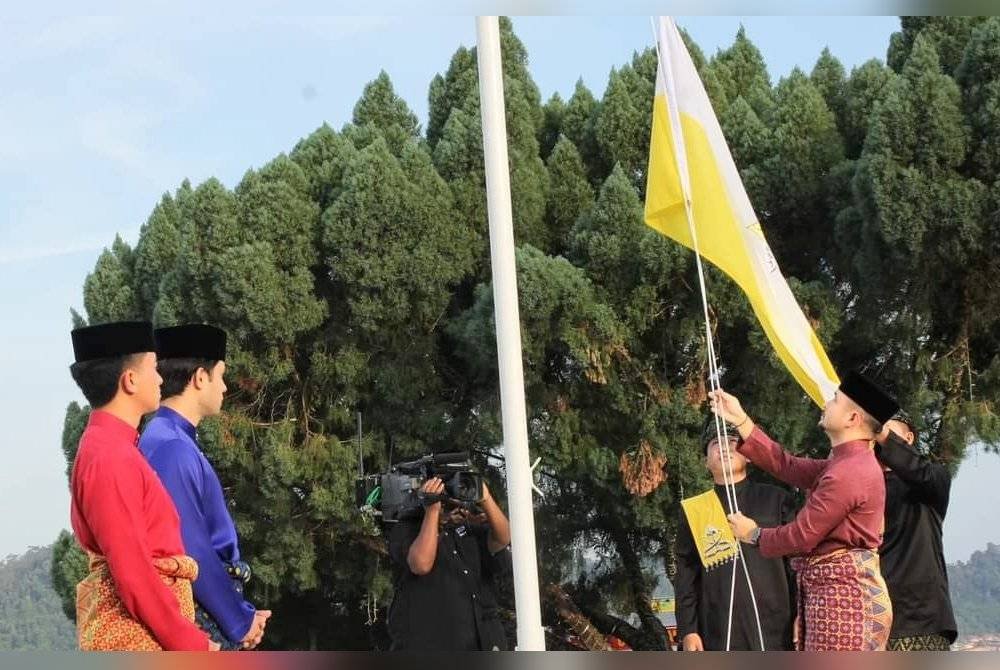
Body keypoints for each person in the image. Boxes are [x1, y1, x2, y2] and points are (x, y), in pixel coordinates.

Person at [711, 370, 898, 651]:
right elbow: (787, 465)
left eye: (835, 400)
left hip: (845, 599)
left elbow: (802, 536)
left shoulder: (849, 472)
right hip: (834, 594)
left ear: (852, 419)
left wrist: (754, 534)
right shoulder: (844, 463)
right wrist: (741, 420)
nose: (826, 404)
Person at [68, 321, 216, 651]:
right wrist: (192, 644)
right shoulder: (109, 457)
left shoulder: (112, 448)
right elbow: (133, 573)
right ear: (130, 380)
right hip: (139, 638)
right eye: (153, 367)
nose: (161, 378)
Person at [139, 324, 271, 650]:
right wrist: (239, 620)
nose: (225, 387)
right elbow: (190, 547)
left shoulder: (169, 438)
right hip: (202, 616)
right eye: (221, 375)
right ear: (200, 377)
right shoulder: (171, 446)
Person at [674, 420, 797, 651]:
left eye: (732, 441)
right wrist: (688, 630)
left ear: (749, 455)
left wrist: (803, 613)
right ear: (705, 461)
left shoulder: (777, 499)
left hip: (777, 626)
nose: (724, 447)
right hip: (717, 630)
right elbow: (686, 576)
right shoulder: (695, 511)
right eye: (715, 443)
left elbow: (797, 564)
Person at [385, 477, 512, 650]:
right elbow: (421, 564)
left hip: (484, 643)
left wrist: (485, 497)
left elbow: (503, 538)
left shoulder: (470, 527)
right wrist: (432, 512)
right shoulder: (407, 528)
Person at [876, 409, 957, 650]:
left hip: (923, 622)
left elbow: (920, 471)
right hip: (871, 618)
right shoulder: (860, 488)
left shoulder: (933, 480)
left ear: (908, 438)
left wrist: (879, 433)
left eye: (885, 428)